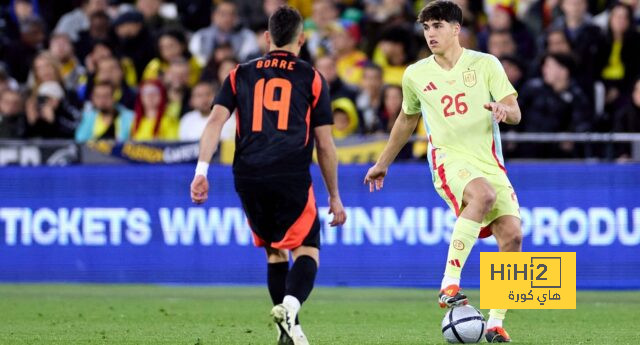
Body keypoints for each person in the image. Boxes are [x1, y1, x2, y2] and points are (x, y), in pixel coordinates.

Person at [363, 1, 522, 343]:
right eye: (426, 27)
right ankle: (449, 284)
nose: (431, 33)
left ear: (455, 29)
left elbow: (515, 111)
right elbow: (407, 119)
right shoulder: (415, 74)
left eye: (437, 26)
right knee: (483, 196)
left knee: (512, 236)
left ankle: (495, 323)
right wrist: (383, 163)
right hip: (448, 159)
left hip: (489, 162)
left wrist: (502, 110)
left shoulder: (485, 64)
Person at [189, 6, 346, 345]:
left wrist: (201, 171)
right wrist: (334, 195)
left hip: (247, 174)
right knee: (308, 248)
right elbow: (324, 143)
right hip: (289, 171)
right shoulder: (312, 77)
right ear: (301, 39)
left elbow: (215, 121)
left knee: (275, 250)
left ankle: (290, 332)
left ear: (267, 38)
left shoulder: (239, 73)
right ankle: (290, 307)